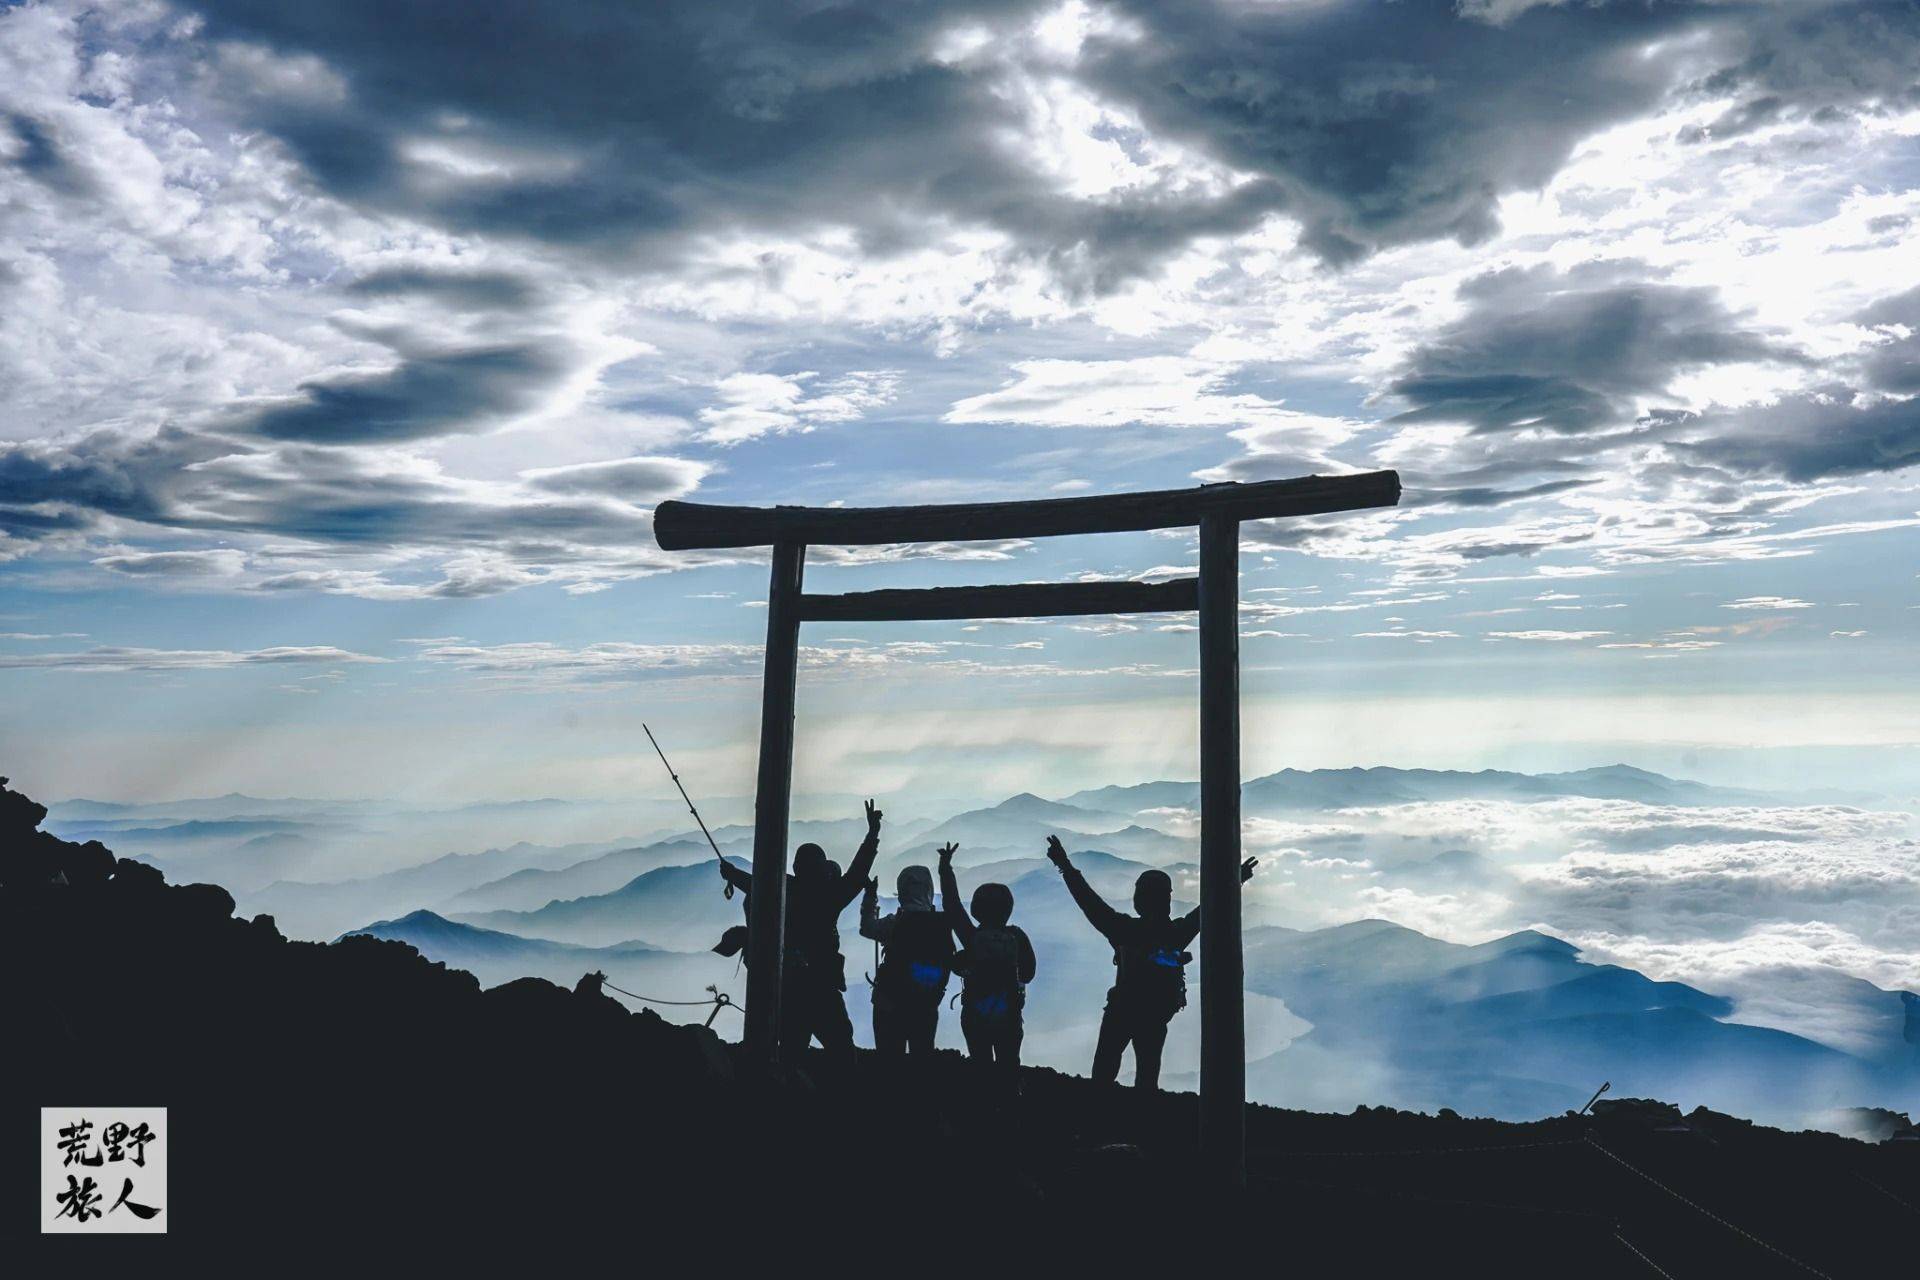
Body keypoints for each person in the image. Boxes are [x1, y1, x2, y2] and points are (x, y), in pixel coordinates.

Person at [1046, 834, 1255, 1091]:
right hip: (1155, 1015)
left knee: (1103, 1071)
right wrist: (1236, 881)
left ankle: (1100, 1111)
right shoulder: (1176, 934)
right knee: (1147, 1076)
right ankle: (1144, 1113)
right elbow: (1210, 908)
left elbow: (1089, 902)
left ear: (1140, 898)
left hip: (1121, 1010)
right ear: (1167, 900)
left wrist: (1065, 865)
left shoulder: (1124, 930)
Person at [719, 799, 884, 1065]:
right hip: (823, 988)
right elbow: (857, 873)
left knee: (791, 1052)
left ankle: (786, 1087)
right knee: (842, 1052)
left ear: (796, 867)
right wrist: (872, 834)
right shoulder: (829, 897)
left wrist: (732, 873)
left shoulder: (782, 889)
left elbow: (754, 884)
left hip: (790, 986)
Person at [938, 841, 1036, 1084]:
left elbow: (952, 906)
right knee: (1009, 1063)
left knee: (980, 1063)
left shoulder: (972, 937)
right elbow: (1028, 973)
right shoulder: (1017, 937)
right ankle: (1010, 1101)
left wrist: (945, 868)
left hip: (976, 1014)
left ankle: (983, 1100)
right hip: (1009, 1015)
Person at [859, 860, 955, 1057]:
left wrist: (870, 897)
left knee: (889, 1059)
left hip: (889, 1002)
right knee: (921, 1057)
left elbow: (866, 928)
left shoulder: (894, 924)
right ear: (929, 890)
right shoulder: (941, 925)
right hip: (926, 1004)